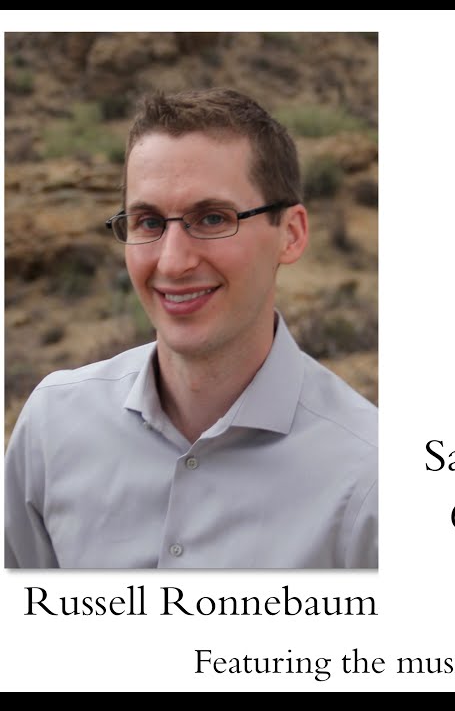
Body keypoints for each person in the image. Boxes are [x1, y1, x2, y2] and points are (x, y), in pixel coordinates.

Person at [4, 88, 378, 569]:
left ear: (291, 233)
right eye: (148, 221)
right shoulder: (51, 428)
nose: (173, 262)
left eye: (213, 218)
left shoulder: (368, 476)